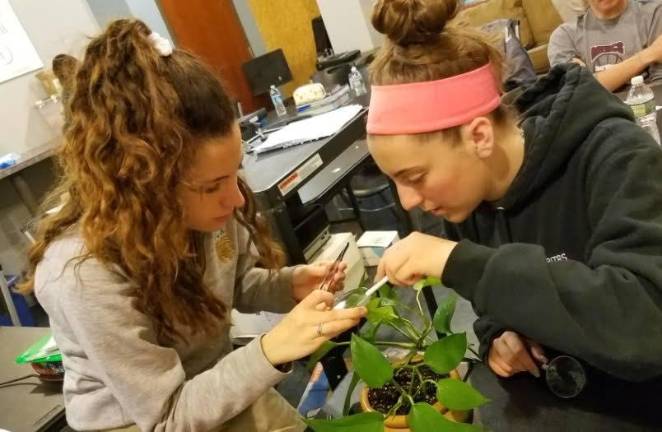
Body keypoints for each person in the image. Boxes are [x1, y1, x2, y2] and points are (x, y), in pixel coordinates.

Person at [19, 19, 366, 432]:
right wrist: (269, 351)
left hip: (211, 383)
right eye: (211, 186)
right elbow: (166, 416)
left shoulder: (206, 210)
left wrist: (289, 285)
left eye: (234, 174)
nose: (236, 199)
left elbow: (230, 284)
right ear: (143, 184)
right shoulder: (80, 274)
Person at [367, 0, 662, 384]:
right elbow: (493, 301)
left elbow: (648, 325)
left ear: (479, 136)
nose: (408, 201)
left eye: (415, 176)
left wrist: (464, 264)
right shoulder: (465, 199)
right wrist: (497, 335)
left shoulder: (617, 157)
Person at [548, 0, 662, 91]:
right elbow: (574, 94)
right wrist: (647, 55)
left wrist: (592, 79)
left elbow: (659, 86)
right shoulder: (565, 36)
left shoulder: (655, 13)